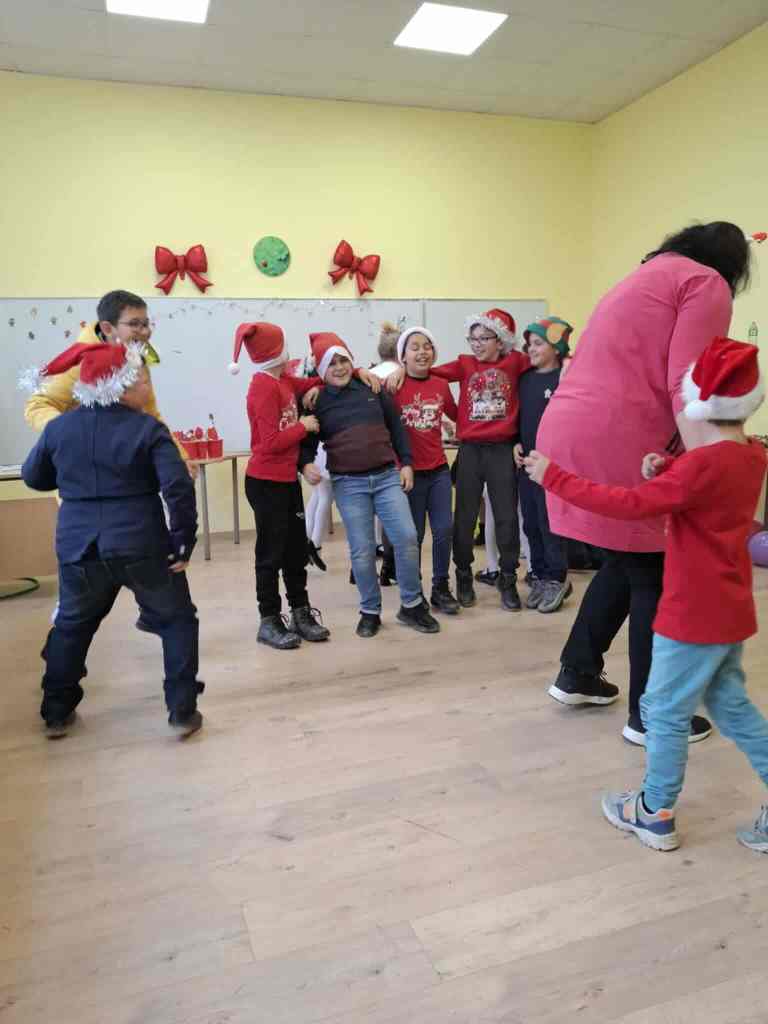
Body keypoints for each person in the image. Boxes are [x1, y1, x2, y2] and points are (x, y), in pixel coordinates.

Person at [526, 336, 768, 853]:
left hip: (692, 615)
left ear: (699, 403)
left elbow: (630, 504)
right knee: (732, 708)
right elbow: (705, 490)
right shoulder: (751, 455)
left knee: (661, 711)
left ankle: (654, 812)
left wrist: (554, 477)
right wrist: (667, 467)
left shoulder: (701, 466)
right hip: (729, 610)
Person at [536, 221, 752, 745]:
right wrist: (712, 464)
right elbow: (688, 381)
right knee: (655, 568)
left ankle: (578, 673)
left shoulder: (643, 276)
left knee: (625, 559)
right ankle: (651, 715)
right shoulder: (705, 282)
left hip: (566, 427)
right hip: (619, 433)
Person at [20, 341, 203, 739]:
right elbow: (176, 487)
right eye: (142, 380)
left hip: (78, 547)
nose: (148, 389)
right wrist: (182, 541)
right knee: (176, 620)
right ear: (120, 385)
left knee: (72, 625)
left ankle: (56, 712)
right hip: (142, 545)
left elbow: (34, 477)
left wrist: (76, 480)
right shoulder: (148, 429)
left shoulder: (59, 428)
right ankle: (182, 710)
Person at [299, 332, 440, 638]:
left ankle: (412, 605)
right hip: (349, 484)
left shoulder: (371, 387)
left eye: (344, 361)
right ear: (321, 369)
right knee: (362, 550)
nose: (339, 368)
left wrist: (406, 463)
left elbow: (396, 427)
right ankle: (370, 610)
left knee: (406, 537)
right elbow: (306, 443)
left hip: (387, 476)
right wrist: (305, 464)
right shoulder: (317, 400)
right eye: (331, 363)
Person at [389, 308, 530, 610]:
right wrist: (400, 368)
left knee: (506, 517)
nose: (477, 345)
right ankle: (463, 574)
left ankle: (507, 578)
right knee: (464, 518)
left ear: (500, 340)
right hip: (470, 451)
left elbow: (547, 360)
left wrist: (566, 363)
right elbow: (428, 372)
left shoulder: (516, 361)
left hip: (502, 450)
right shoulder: (465, 364)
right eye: (473, 339)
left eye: (484, 338)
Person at [229, 322, 332, 651]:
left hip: (287, 480)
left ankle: (300, 612)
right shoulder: (262, 387)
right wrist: (303, 426)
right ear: (277, 350)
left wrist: (353, 373)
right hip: (265, 482)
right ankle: (269, 619)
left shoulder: (283, 380)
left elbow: (316, 381)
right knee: (270, 554)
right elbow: (268, 443)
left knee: (295, 551)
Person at [391, 326, 460, 614]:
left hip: (439, 470)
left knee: (444, 530)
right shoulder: (393, 386)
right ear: (403, 355)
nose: (422, 352)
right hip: (410, 474)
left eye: (427, 346)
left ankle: (441, 587)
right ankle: (414, 589)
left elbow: (458, 415)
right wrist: (399, 466)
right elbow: (386, 431)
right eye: (415, 347)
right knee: (415, 535)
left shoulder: (441, 385)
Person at [513, 317, 574, 613]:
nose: (531, 349)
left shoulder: (566, 378)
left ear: (556, 348)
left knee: (551, 524)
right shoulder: (525, 379)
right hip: (526, 465)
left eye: (538, 343)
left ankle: (556, 578)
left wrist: (570, 364)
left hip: (552, 468)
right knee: (531, 523)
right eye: (529, 344)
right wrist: (515, 442)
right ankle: (539, 574)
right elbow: (519, 417)